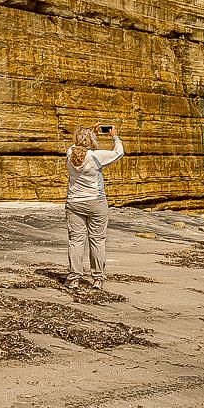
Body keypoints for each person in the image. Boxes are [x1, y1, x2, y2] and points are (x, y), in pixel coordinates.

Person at [65, 123, 125, 288]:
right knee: (97, 241)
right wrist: (114, 136)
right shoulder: (97, 156)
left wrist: (90, 131)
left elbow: (77, 145)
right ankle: (98, 279)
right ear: (91, 140)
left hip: (74, 203)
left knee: (76, 241)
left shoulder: (70, 153)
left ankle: (74, 278)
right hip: (96, 203)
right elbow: (119, 153)